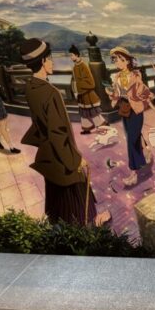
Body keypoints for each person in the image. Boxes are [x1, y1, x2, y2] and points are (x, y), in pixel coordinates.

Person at [19, 39, 109, 227]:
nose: (52, 63)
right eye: (49, 59)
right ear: (43, 61)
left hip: (48, 153)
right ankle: (90, 224)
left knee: (58, 199)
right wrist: (75, 160)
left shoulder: (30, 86)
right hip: (61, 156)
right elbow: (58, 133)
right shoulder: (51, 93)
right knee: (76, 191)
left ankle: (61, 227)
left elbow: (40, 124)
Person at [106, 47, 155, 188]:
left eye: (119, 59)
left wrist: (154, 107)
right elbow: (116, 95)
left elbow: (144, 92)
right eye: (115, 60)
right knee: (133, 136)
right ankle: (146, 151)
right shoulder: (116, 77)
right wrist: (111, 93)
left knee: (131, 141)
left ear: (127, 61)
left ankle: (134, 172)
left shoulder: (135, 75)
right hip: (124, 109)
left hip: (136, 111)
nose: (116, 62)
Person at [69, 44, 105, 134]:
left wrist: (78, 85)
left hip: (87, 94)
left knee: (93, 112)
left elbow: (91, 83)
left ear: (76, 55)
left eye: (72, 55)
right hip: (81, 94)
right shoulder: (75, 66)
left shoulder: (83, 66)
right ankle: (87, 128)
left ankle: (102, 126)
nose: (71, 57)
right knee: (83, 113)